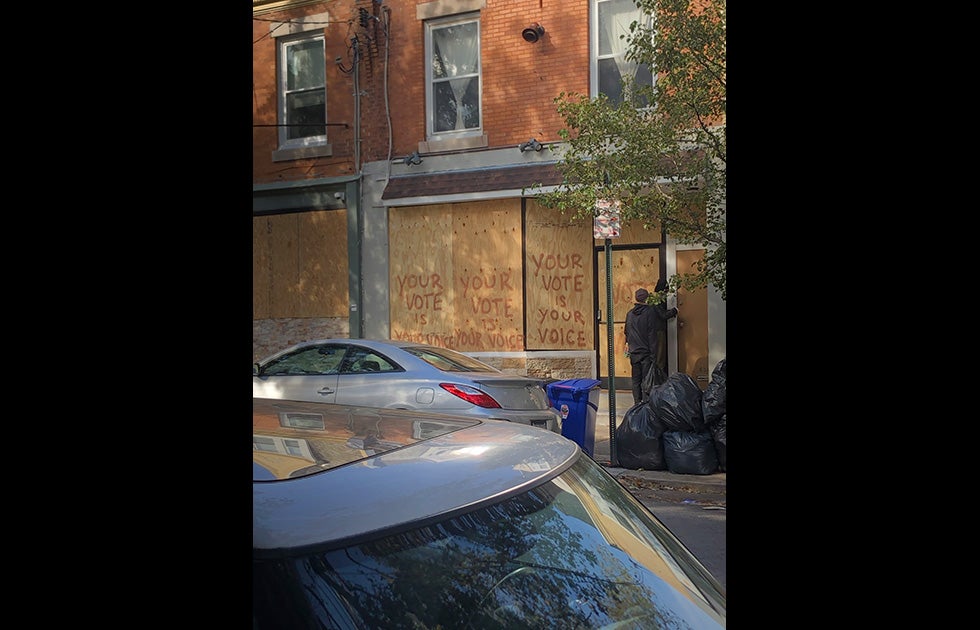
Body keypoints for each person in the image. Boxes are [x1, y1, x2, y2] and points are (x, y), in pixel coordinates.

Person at [624, 285, 678, 405]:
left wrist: (629, 345)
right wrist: (654, 355)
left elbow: (626, 332)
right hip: (646, 352)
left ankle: (637, 403)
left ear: (636, 298)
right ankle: (646, 404)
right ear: (647, 298)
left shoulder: (630, 314)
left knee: (635, 380)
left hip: (634, 352)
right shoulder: (650, 311)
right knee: (646, 379)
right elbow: (651, 334)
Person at [651, 277, 678, 385]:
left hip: (656, 331)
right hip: (659, 332)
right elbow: (662, 315)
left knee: (659, 357)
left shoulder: (654, 299)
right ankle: (659, 382)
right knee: (660, 358)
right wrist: (674, 311)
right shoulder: (658, 300)